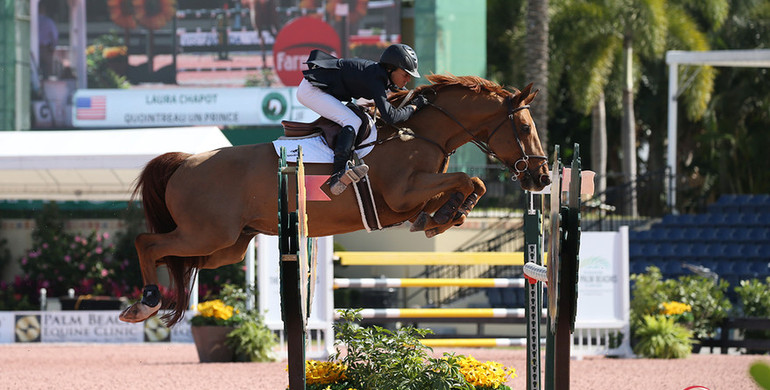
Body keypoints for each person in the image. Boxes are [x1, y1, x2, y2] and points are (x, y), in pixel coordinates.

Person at [298, 43, 429, 196]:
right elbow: (390, 117)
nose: (408, 79)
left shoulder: (381, 75)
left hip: (320, 89)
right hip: (311, 91)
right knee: (353, 121)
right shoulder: (376, 78)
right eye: (405, 74)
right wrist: (413, 108)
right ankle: (338, 173)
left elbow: (400, 94)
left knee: (357, 118)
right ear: (391, 68)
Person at [37, 2, 58, 78]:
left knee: (35, 71)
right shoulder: (49, 22)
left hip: (35, 49)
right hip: (46, 49)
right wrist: (53, 47)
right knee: (47, 72)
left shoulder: (33, 21)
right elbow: (54, 36)